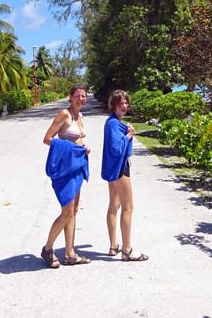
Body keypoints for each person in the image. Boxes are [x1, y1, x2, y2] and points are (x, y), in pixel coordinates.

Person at [40, 85, 92, 268]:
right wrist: (73, 150)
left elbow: (77, 138)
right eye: (77, 96)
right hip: (65, 169)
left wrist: (84, 147)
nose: (81, 99)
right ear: (70, 97)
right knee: (66, 212)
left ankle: (70, 253)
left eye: (83, 96)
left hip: (77, 167)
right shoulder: (64, 114)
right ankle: (47, 249)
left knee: (73, 211)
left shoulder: (80, 116)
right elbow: (47, 139)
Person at [101, 90, 149, 262]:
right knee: (128, 208)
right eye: (121, 103)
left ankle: (114, 245)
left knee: (114, 206)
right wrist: (129, 135)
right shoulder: (114, 124)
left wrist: (127, 134)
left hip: (112, 169)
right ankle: (127, 250)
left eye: (126, 103)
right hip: (120, 169)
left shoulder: (113, 123)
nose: (125, 106)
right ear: (113, 105)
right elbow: (116, 149)